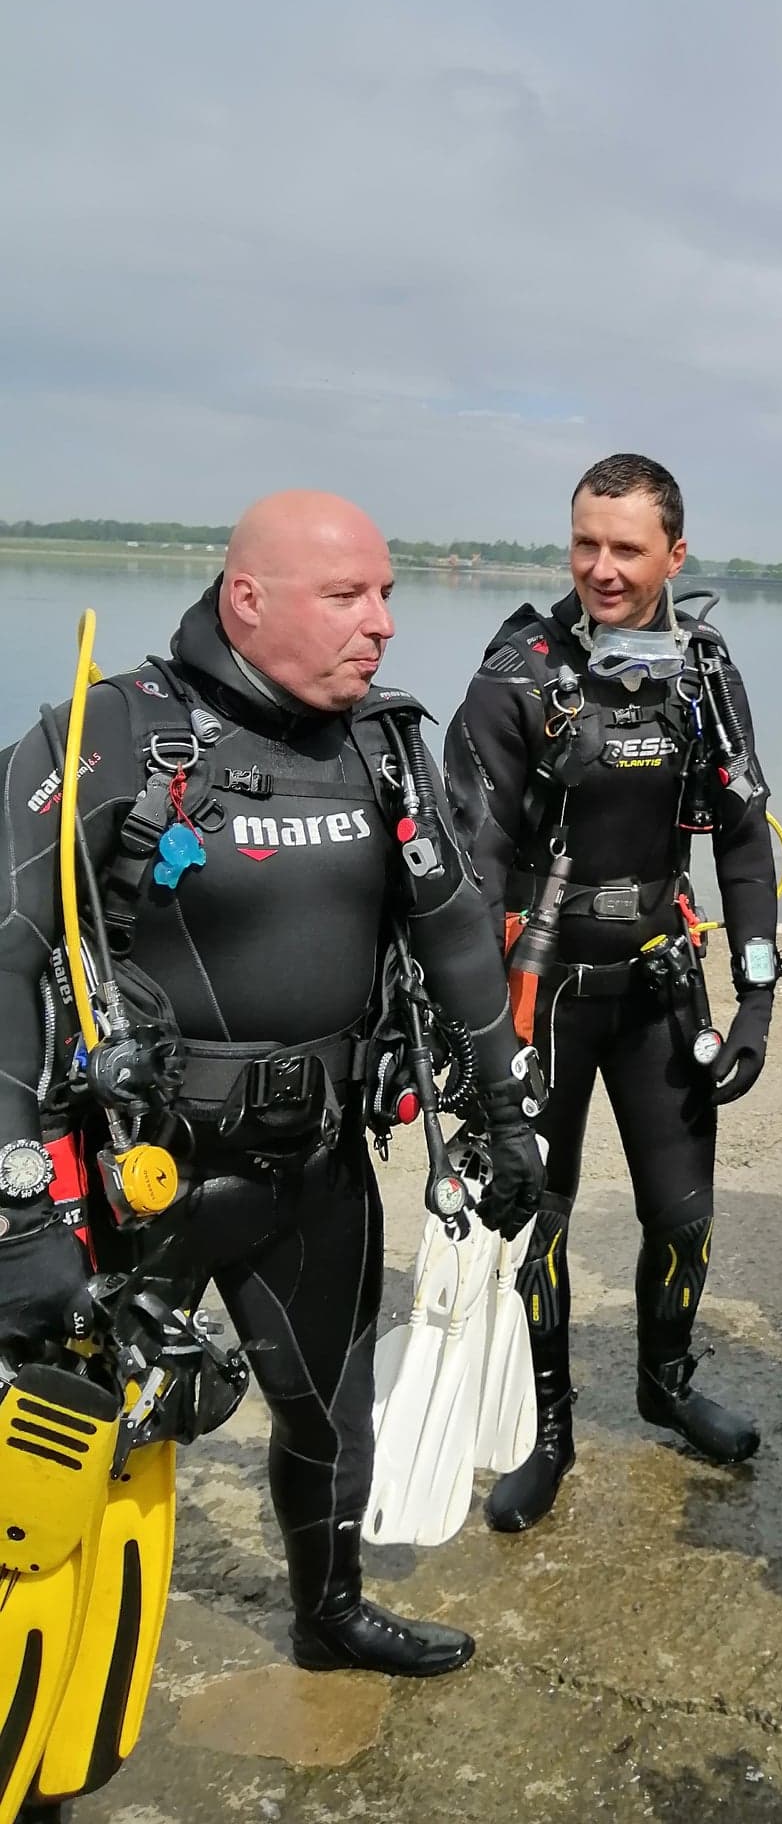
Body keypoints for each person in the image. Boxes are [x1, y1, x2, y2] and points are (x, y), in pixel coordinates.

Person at [0, 491, 545, 1681]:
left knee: (328, 1410)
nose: (382, 622)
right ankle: (41, 1699)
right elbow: (4, 952)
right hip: (140, 1175)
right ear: (247, 599)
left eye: (386, 594)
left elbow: (455, 931)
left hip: (317, 1161)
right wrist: (19, 1210)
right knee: (77, 1436)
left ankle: (329, 1614)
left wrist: (508, 1112)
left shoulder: (383, 746)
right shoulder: (110, 733)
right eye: (348, 595)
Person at [445, 453, 781, 1533]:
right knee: (539, 1221)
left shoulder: (703, 671)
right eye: (585, 543)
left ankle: (665, 1384)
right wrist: (478, 1029)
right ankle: (549, 1429)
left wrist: (757, 998)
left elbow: (741, 839)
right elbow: (473, 866)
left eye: (627, 548)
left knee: (682, 1215)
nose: (602, 568)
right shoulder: (516, 674)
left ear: (675, 555)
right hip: (543, 994)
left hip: (659, 987)